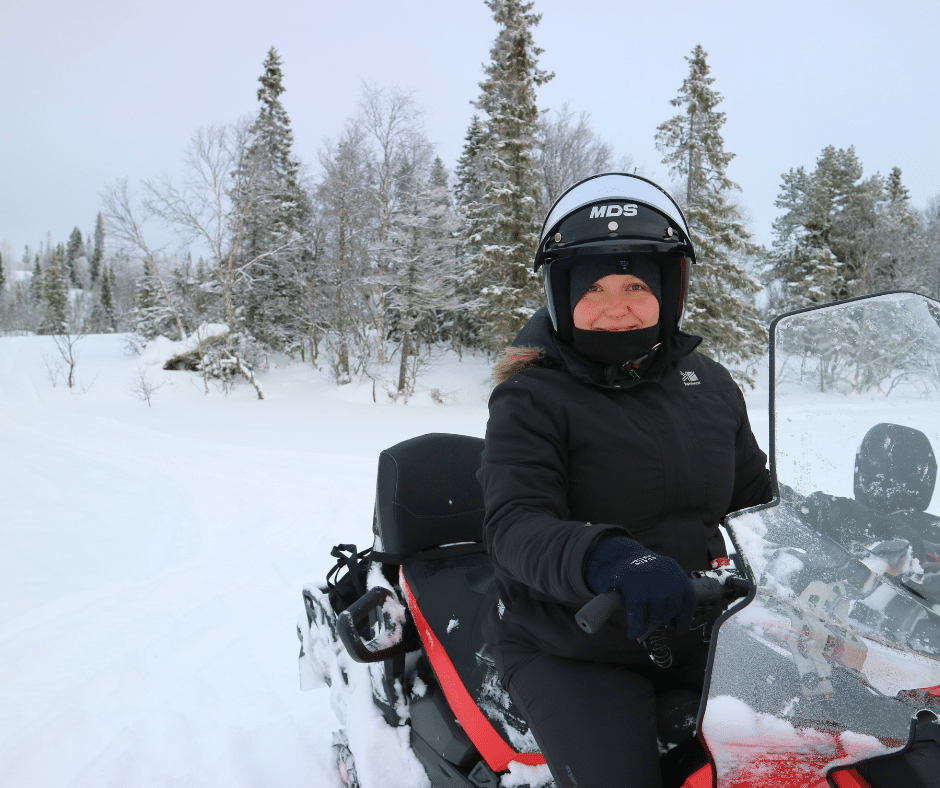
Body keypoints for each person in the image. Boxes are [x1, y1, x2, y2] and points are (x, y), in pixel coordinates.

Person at [476, 173, 773, 788]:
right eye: (596, 288)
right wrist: (606, 558)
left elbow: (756, 499)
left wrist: (846, 527)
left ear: (669, 288)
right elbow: (515, 524)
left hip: (716, 630)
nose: (618, 306)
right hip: (576, 644)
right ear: (563, 296)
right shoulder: (531, 397)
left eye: (636, 284)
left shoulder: (710, 386)